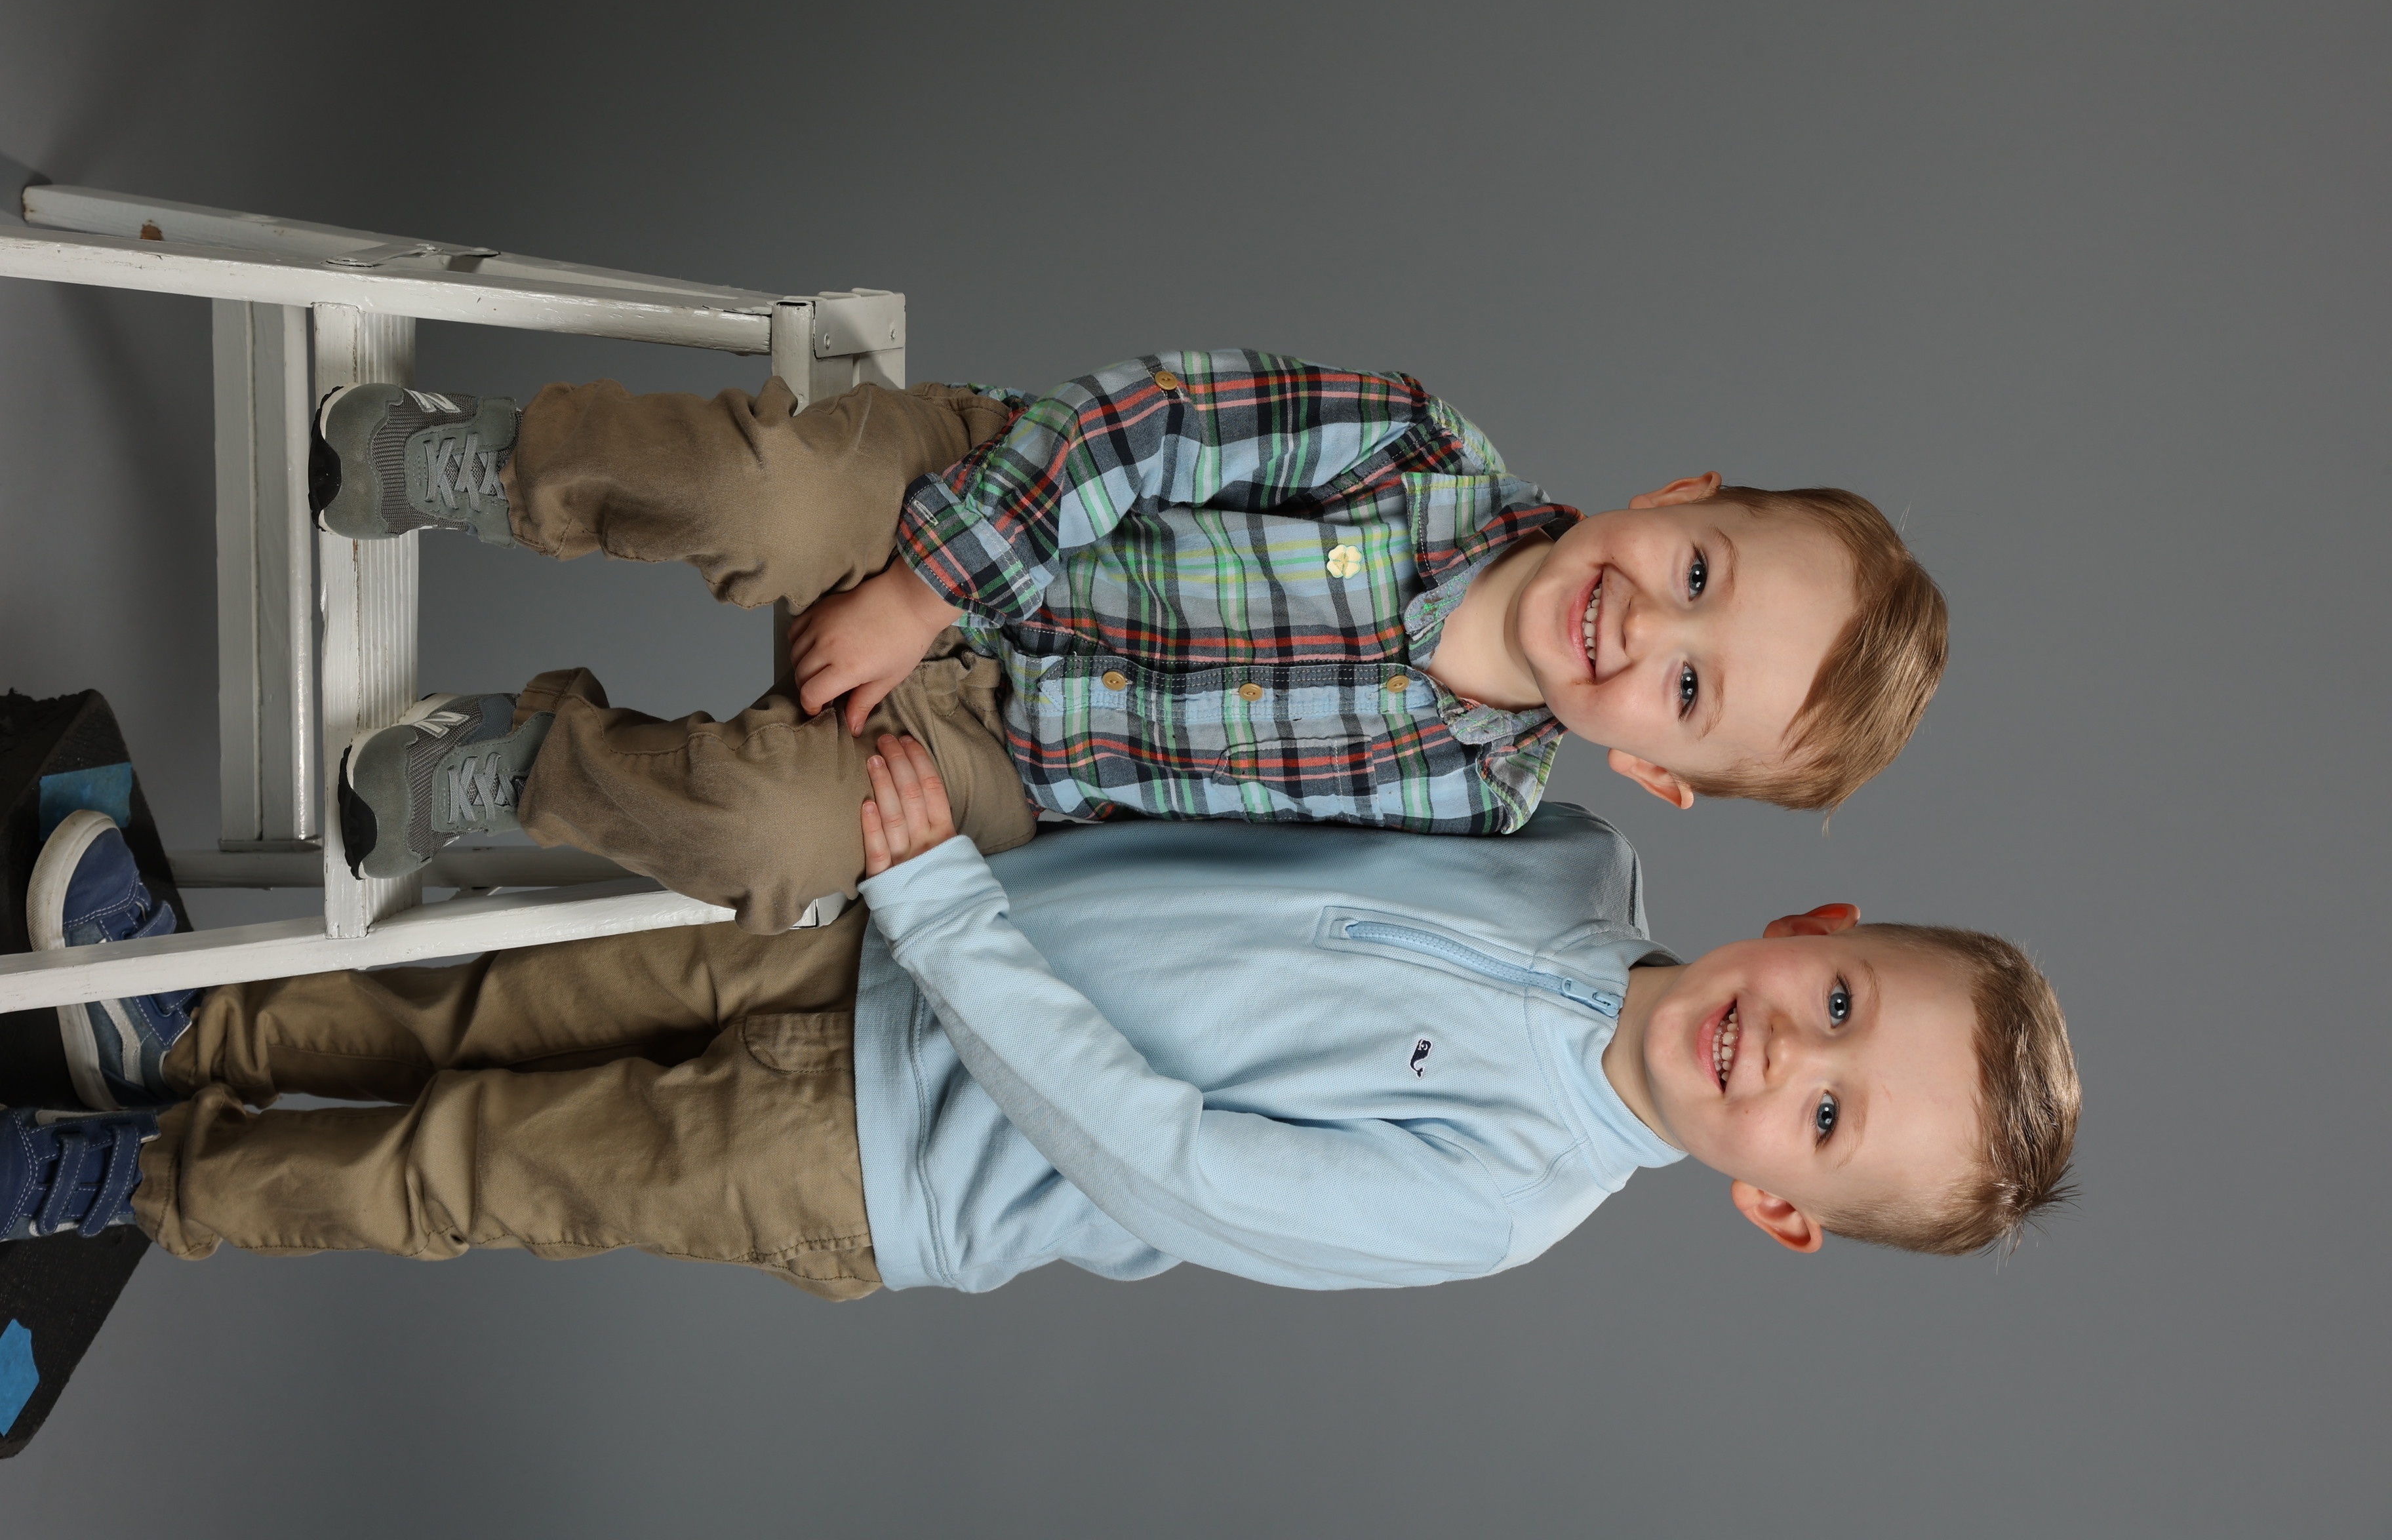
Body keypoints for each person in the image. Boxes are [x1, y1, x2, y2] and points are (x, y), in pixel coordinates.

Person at [5, 741, 2077, 1289]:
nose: (1788, 1055)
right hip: (881, 934)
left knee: (484, 1162)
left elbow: (1165, 1160)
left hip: (871, 1159)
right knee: (490, 982)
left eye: (1826, 1122)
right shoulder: (1564, 854)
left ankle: (136, 1177)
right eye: (1839, 1001)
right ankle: (190, 1038)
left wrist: (941, 906)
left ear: (1780, 1207)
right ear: (1817, 918)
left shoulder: (1506, 1195)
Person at [308, 351, 1949, 933]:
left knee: (776, 841)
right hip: (983, 513)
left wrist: (963, 859)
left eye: (1688, 685)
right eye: (1698, 571)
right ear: (1679, 497)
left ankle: (519, 765)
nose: (1647, 623)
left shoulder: (1468, 816)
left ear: (1655, 772)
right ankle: (500, 465)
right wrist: (930, 585)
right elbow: (1152, 420)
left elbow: (1211, 879)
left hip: (1006, 761)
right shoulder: (1417, 454)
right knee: (768, 498)